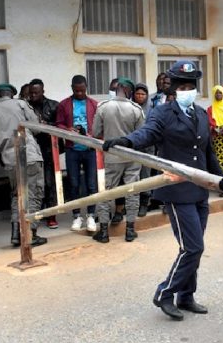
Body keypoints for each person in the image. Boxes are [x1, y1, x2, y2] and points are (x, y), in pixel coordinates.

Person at [102, 60, 223, 321]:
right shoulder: (163, 113)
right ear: (174, 89)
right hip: (176, 191)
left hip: (199, 192)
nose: (188, 90)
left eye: (191, 86)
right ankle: (165, 293)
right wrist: (126, 141)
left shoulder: (199, 114)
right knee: (193, 247)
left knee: (193, 246)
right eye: (183, 86)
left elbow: (208, 152)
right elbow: (147, 134)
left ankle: (186, 296)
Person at [0, 83, 47, 247]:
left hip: (9, 159)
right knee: (34, 194)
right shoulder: (20, 103)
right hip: (30, 155)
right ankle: (30, 234)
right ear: (11, 93)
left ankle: (16, 234)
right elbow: (37, 127)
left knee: (16, 194)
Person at [93, 78, 145, 243]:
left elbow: (95, 132)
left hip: (111, 157)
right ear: (129, 92)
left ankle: (103, 232)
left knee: (106, 192)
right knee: (132, 192)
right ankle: (130, 230)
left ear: (117, 90)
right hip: (132, 156)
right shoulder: (136, 110)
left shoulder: (103, 107)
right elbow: (141, 135)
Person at [56, 75, 98, 232]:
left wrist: (91, 134)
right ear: (72, 88)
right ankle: (76, 216)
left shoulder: (94, 104)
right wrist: (68, 130)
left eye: (82, 90)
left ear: (86, 87)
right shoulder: (64, 104)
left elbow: (99, 125)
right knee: (73, 183)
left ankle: (91, 215)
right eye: (76, 90)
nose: (80, 93)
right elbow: (58, 123)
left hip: (89, 149)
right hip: (72, 149)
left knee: (91, 184)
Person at [28, 78, 60, 229]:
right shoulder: (25, 106)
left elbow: (62, 126)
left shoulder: (53, 105)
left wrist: (48, 126)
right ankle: (37, 213)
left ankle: (51, 216)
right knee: (34, 184)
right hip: (31, 150)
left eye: (36, 92)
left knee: (49, 183)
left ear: (43, 91)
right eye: (31, 93)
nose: (33, 95)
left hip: (48, 150)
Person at [133, 82, 152, 217]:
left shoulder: (152, 109)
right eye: (138, 94)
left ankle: (144, 204)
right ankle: (132, 205)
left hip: (148, 147)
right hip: (133, 147)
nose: (140, 96)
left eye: (143, 94)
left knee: (145, 175)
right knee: (132, 176)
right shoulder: (130, 108)